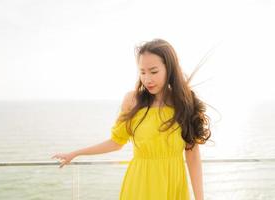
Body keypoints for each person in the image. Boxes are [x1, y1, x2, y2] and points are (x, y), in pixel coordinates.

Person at [51, 38, 211, 200]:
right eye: (142, 72)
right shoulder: (132, 101)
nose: (147, 79)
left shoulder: (184, 102)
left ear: (169, 69)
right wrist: (76, 153)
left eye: (153, 71)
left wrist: (200, 198)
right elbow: (116, 142)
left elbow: (192, 153)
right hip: (140, 186)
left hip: (173, 187)